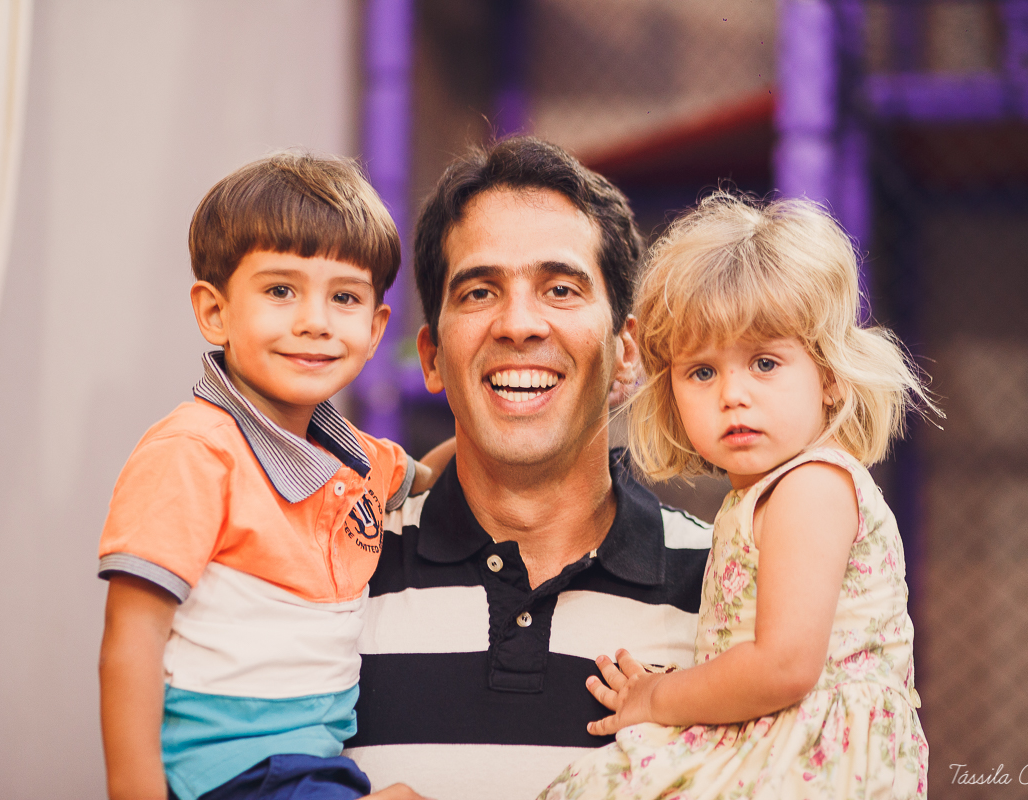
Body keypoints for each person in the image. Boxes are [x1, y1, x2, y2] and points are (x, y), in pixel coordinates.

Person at [341, 137, 712, 800]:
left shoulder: (730, 586)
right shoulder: (333, 573)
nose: (518, 323)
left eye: (561, 288)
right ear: (430, 357)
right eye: (480, 291)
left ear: (626, 354)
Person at [538, 193, 935, 799]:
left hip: (811, 761)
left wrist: (659, 698)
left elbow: (783, 665)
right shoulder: (760, 496)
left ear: (828, 377)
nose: (733, 395)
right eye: (703, 372)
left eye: (765, 363)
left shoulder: (811, 486)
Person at [97, 153, 451, 800]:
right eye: (281, 290)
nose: (314, 320)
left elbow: (442, 477)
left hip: (310, 766)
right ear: (215, 312)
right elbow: (131, 637)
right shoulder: (194, 452)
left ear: (375, 332)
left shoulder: (359, 459)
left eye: (344, 297)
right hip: (230, 772)